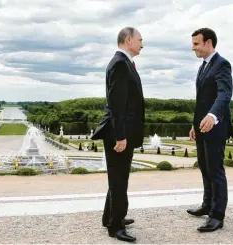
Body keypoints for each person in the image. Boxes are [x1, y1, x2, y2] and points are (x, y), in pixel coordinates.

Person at [91, 27, 144, 243]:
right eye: (140, 40)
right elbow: (116, 103)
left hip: (120, 131)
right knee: (120, 179)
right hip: (118, 133)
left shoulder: (123, 62)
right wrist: (121, 136)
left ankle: (110, 217)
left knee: (118, 178)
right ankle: (116, 226)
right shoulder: (121, 63)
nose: (142, 44)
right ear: (128, 39)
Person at [187, 28, 233, 232]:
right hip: (201, 126)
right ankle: (207, 205)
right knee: (204, 167)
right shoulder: (203, 66)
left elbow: (224, 94)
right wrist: (194, 124)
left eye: (196, 43)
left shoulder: (222, 64)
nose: (193, 47)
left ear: (208, 43)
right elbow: (201, 101)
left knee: (215, 170)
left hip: (216, 126)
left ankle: (217, 216)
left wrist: (213, 116)